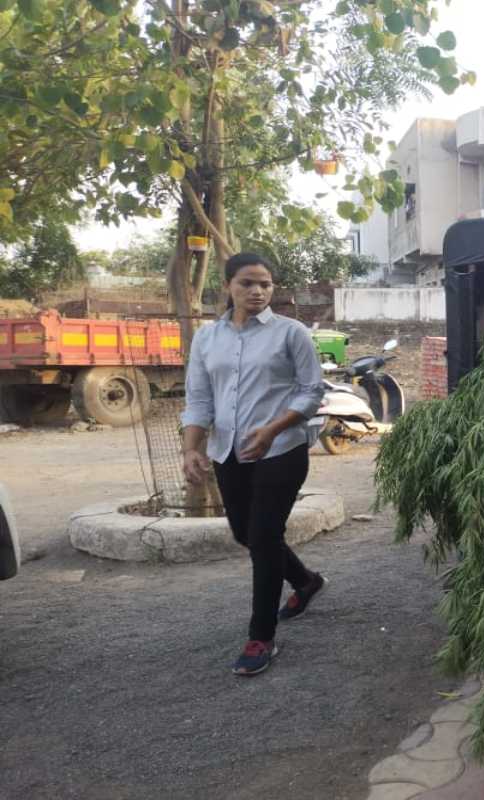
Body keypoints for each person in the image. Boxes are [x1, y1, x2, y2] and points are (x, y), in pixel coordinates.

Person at [181, 252, 328, 676]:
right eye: (247, 283)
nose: (257, 291)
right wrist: (192, 448)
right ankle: (305, 581)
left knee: (264, 538)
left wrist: (271, 430)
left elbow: (310, 391)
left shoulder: (291, 333)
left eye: (265, 284)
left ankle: (260, 636)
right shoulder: (208, 339)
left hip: (281, 448)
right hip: (228, 450)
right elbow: (199, 398)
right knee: (245, 533)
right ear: (228, 286)